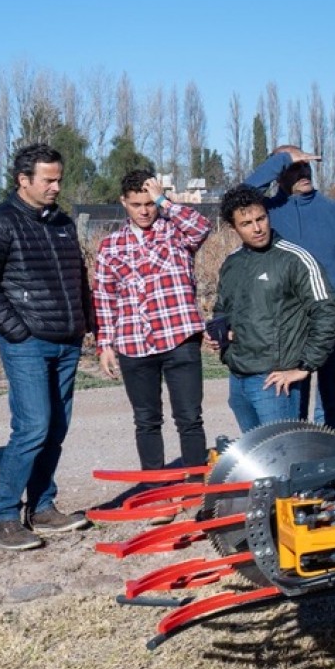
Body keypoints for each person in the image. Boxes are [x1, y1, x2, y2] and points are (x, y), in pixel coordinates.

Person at [0, 143, 95, 549]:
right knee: (33, 426)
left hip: (66, 340)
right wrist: (15, 330)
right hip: (27, 342)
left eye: (59, 179)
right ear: (24, 181)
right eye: (48, 180)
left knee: (55, 428)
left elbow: (79, 276)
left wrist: (85, 324)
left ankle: (42, 508)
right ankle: (2, 517)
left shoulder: (62, 223)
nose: (56, 186)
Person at [241, 146, 335, 429]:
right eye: (294, 167)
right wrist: (282, 159)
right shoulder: (267, 214)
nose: (303, 172)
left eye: (305, 166)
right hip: (288, 330)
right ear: (278, 173)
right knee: (292, 412)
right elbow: (240, 196)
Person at [93, 169, 212, 472]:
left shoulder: (176, 232)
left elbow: (202, 226)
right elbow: (105, 298)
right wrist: (105, 345)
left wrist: (165, 200)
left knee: (189, 417)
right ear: (124, 203)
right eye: (136, 204)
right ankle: (155, 489)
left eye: (149, 204)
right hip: (134, 343)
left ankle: (196, 486)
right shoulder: (111, 246)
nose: (144, 211)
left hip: (180, 338)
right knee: (146, 421)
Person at [209, 186, 335, 433]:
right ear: (234, 227)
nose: (257, 228)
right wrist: (220, 333)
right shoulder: (232, 262)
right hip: (238, 377)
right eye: (247, 223)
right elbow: (222, 308)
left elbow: (329, 314)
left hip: (275, 381)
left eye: (261, 219)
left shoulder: (295, 259)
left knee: (283, 460)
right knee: (257, 460)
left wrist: (304, 367)